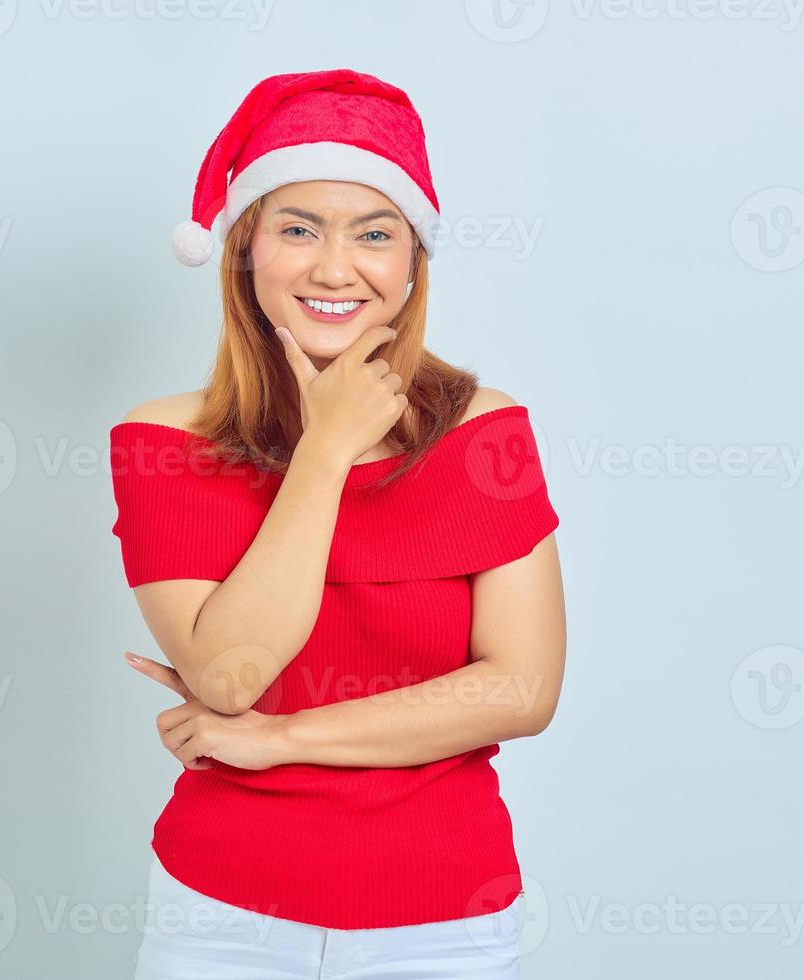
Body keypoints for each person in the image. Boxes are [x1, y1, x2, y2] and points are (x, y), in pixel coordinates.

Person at [108, 68, 567, 979]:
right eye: (298, 229)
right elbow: (232, 677)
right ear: (245, 250)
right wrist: (325, 452)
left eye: (373, 234)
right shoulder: (162, 442)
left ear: (409, 265)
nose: (334, 267)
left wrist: (280, 740)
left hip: (446, 916)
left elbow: (522, 692)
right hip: (224, 915)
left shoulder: (485, 433)